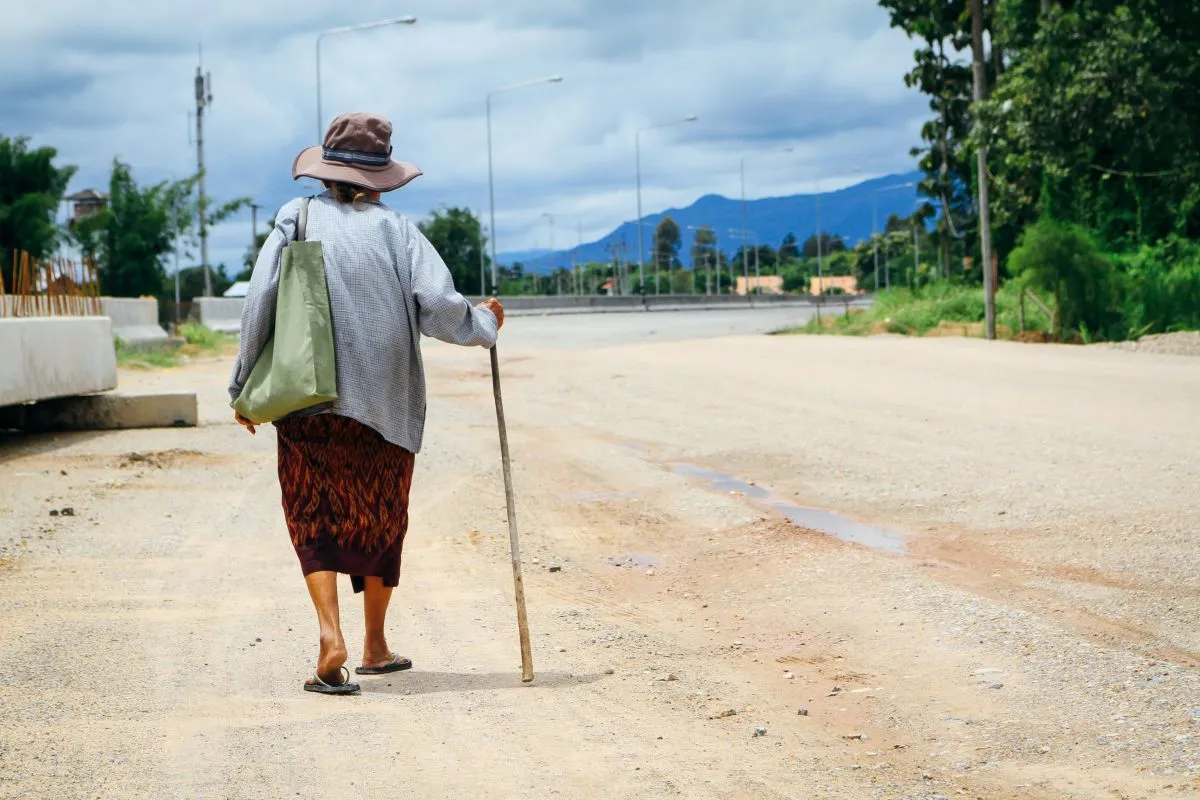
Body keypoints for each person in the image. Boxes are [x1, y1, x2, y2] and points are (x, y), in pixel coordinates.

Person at [229, 112, 504, 696]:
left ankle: (332, 637)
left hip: (306, 397)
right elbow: (437, 303)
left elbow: (259, 302)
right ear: (381, 177)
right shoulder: (399, 231)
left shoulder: (293, 219)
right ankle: (376, 645)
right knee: (381, 517)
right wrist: (483, 325)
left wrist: (243, 387)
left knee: (313, 516)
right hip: (385, 404)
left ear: (325, 173)